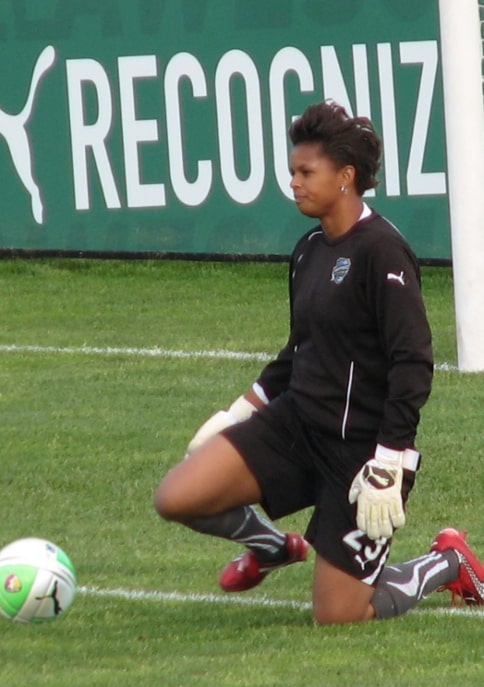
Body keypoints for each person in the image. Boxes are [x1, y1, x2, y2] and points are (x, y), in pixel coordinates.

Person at [154, 101, 484, 624]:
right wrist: (236, 414)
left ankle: (447, 562)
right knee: (177, 495)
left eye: (306, 172)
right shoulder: (309, 249)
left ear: (345, 176)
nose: (295, 182)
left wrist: (390, 458)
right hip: (295, 427)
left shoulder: (383, 251)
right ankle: (272, 548)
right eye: (292, 172)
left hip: (361, 456)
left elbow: (413, 360)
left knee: (339, 616)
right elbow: (298, 350)